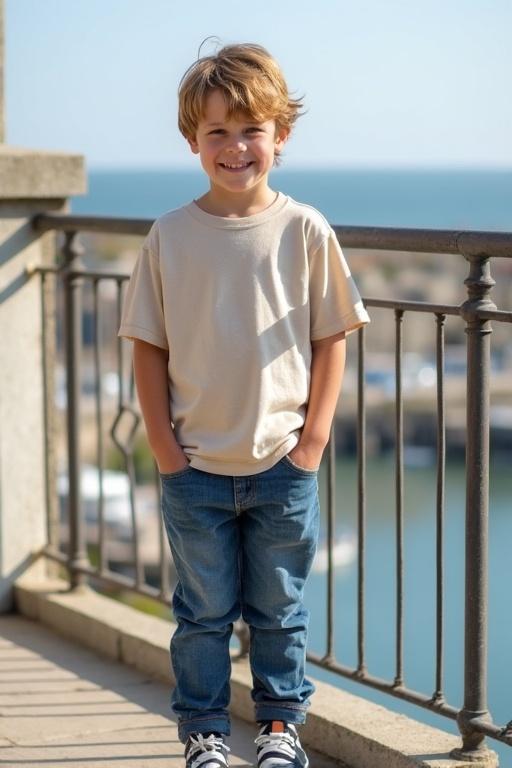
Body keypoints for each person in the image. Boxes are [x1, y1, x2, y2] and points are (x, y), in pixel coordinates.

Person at [119, 41, 370, 768]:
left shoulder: (305, 230)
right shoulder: (168, 236)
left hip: (283, 467)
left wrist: (313, 440)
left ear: (280, 136)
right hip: (194, 468)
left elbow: (332, 338)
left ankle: (281, 727)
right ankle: (203, 731)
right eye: (216, 132)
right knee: (200, 616)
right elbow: (148, 347)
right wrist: (164, 448)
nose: (234, 147)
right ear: (192, 141)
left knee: (281, 613)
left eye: (250, 129)